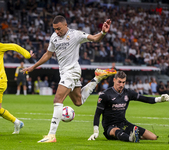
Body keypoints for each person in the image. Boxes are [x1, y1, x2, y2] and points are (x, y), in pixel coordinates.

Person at [23, 15, 116, 143]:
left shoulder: (75, 34)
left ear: (66, 25)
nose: (57, 31)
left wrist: (103, 32)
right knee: (78, 101)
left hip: (72, 72)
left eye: (59, 28)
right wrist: (33, 67)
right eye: (55, 29)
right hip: (64, 73)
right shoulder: (54, 38)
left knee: (58, 99)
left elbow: (94, 38)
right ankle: (97, 78)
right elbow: (47, 54)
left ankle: (51, 135)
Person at [88, 71, 169, 143]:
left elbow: (144, 98)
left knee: (153, 137)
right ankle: (131, 138)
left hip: (123, 124)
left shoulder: (128, 93)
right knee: (115, 131)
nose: (121, 85)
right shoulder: (105, 95)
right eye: (119, 82)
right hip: (110, 127)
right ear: (114, 80)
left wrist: (160, 99)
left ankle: (130, 136)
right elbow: (97, 114)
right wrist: (96, 131)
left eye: (123, 82)